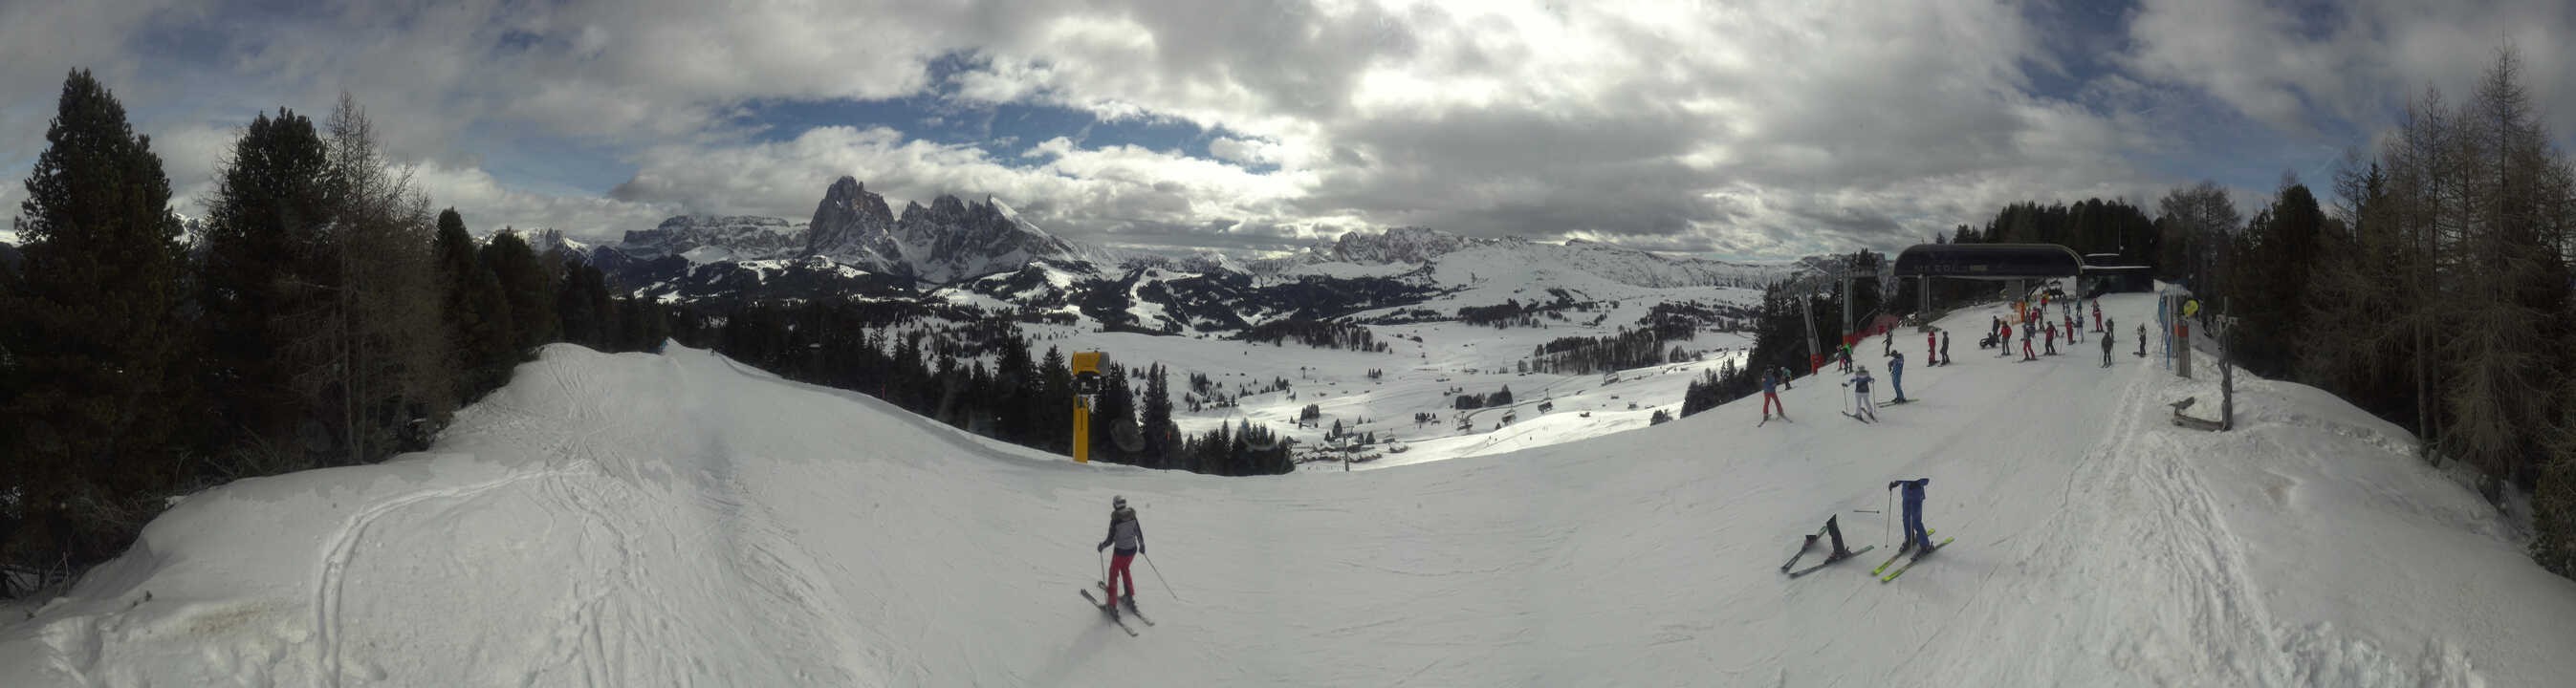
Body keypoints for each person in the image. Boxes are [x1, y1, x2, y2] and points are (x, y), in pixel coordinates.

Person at [1096, 496, 1146, 616]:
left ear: (1115, 505)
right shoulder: (1132, 515)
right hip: (1132, 550)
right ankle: (1129, 597)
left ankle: (1112, 606)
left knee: (1113, 574)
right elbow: (1138, 532)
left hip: (1120, 551)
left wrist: (1102, 546)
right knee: (1125, 569)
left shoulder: (1116, 519)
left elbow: (1110, 539)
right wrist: (1142, 544)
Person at [1888, 478, 1934, 555]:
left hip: (1916, 496)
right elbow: (1904, 475)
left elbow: (1926, 479)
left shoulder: (1919, 467)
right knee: (1906, 519)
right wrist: (1896, 483)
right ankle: (1909, 538)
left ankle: (1925, 545)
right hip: (1906, 495)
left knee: (1916, 521)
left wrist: (1917, 483)